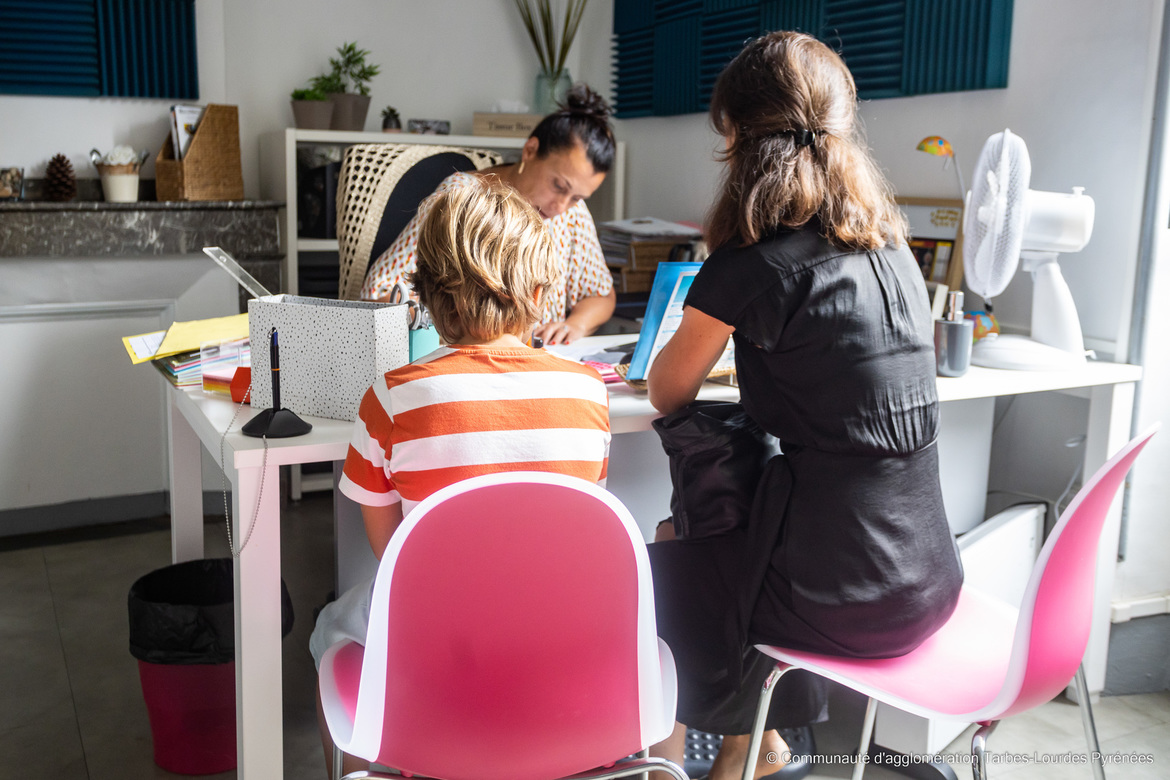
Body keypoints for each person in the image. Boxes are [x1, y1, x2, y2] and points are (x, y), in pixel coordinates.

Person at [645, 32, 964, 780]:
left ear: (736, 141)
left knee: (679, 539)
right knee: (759, 515)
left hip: (844, 595)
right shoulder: (891, 250)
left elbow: (667, 390)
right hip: (930, 577)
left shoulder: (747, 265)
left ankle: (685, 757)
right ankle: (752, 746)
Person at [311, 176, 612, 776]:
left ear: (426, 291)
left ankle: (391, 750)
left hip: (439, 646)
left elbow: (393, 553)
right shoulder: (589, 393)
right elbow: (578, 523)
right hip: (556, 643)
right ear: (539, 289)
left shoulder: (392, 398)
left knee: (329, 628)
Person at [361, 83, 617, 345]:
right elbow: (380, 291)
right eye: (558, 186)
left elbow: (600, 295)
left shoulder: (571, 213)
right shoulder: (463, 197)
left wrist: (575, 325)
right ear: (530, 150)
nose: (561, 207)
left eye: (576, 197)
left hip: (537, 364)